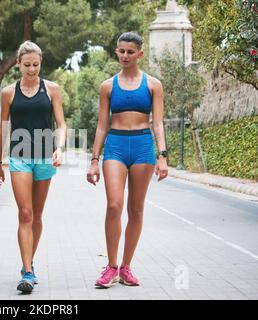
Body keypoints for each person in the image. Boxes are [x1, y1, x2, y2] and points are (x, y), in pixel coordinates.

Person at [87, 32, 168, 288]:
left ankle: (126, 266)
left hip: (143, 146)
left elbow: (158, 122)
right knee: (114, 205)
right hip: (116, 146)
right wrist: (94, 159)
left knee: (136, 209)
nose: (124, 56)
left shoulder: (153, 85)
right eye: (121, 51)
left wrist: (162, 155)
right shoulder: (108, 86)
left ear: (140, 54)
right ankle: (111, 267)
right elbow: (102, 125)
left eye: (130, 52)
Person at [0, 41, 67, 293]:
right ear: (18, 64)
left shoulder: (52, 89)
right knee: (25, 214)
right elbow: (3, 126)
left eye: (36, 64)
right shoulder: (8, 92)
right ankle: (26, 271)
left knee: (37, 214)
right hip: (19, 156)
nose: (32, 69)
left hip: (45, 156)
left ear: (40, 63)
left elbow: (61, 124)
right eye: (27, 65)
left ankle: (30, 262)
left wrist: (60, 147)